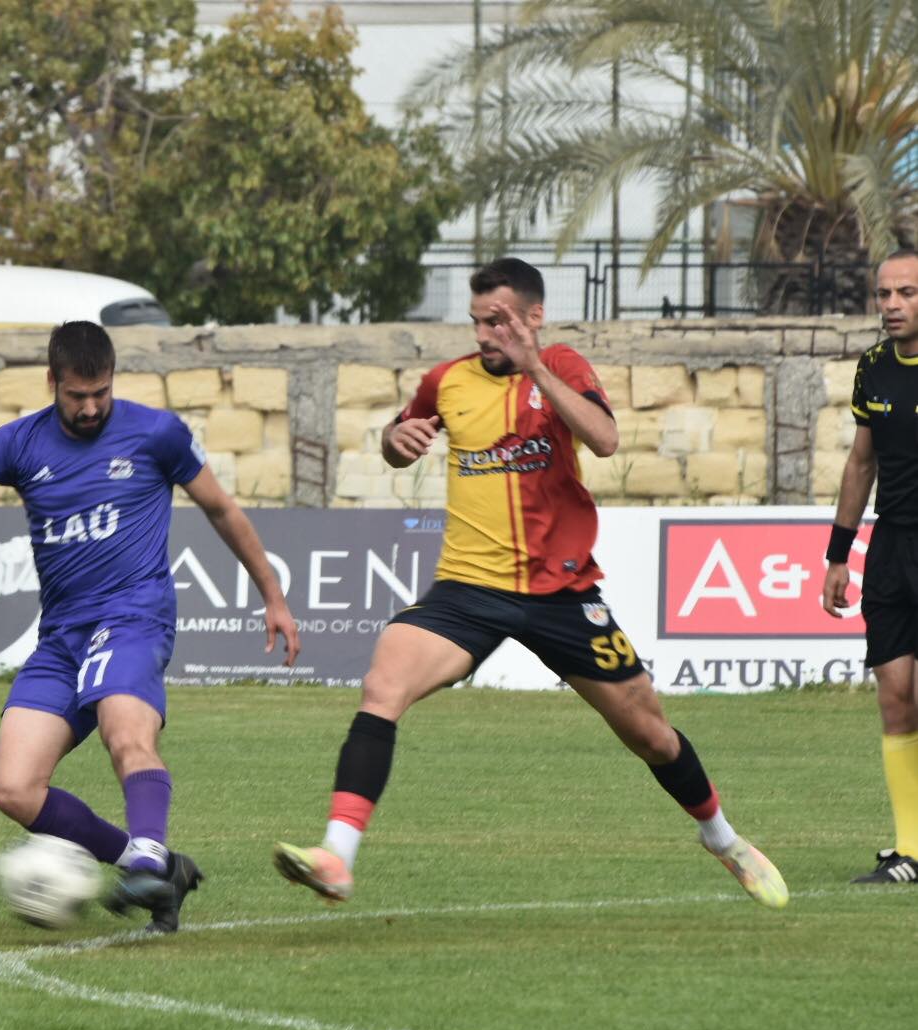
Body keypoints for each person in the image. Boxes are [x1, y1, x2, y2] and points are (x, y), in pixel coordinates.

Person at [272, 258, 788, 909]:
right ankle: (336, 856)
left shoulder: (563, 366)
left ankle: (722, 838)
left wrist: (536, 368)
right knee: (383, 685)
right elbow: (400, 435)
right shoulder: (446, 380)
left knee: (651, 735)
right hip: (468, 590)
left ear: (534, 316)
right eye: (477, 322)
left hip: (562, 595)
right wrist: (394, 439)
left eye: (498, 321)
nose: (485, 335)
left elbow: (604, 439)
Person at [0, 321, 300, 932]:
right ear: (52, 381)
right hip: (61, 637)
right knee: (14, 788)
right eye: (77, 395)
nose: (91, 407)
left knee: (125, 732)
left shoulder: (156, 433)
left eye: (100, 392)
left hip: (133, 615)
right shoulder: (19, 442)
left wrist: (273, 595)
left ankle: (149, 854)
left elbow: (221, 509)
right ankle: (156, 867)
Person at [821, 248, 918, 885]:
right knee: (896, 697)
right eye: (884, 294)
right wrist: (838, 553)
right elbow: (862, 463)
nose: (891, 305)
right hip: (889, 550)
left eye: (906, 293)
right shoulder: (873, 367)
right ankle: (910, 850)